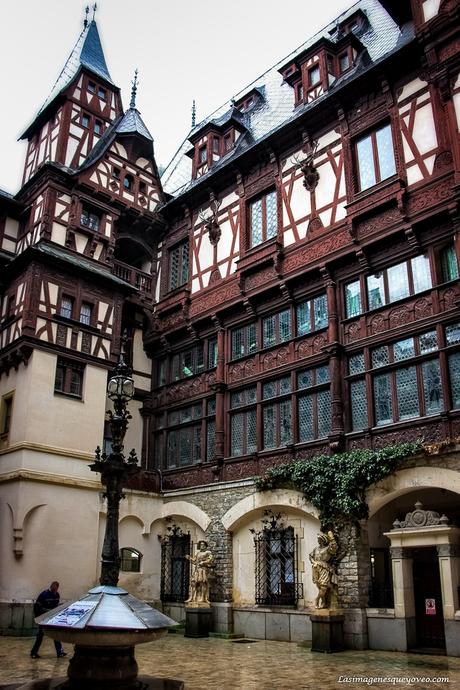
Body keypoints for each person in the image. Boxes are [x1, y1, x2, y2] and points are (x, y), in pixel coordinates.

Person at [30, 581, 66, 659]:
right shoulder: (43, 595)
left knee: (56, 634)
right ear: (51, 587)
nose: (54, 591)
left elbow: (56, 607)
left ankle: (59, 652)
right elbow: (37, 607)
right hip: (43, 618)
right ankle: (33, 652)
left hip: (52, 618)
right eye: (53, 590)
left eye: (55, 590)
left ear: (57, 589)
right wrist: (39, 619)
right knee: (40, 635)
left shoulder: (57, 595)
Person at [309, 531, 339, 609]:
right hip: (316, 568)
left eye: (320, 539)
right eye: (318, 539)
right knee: (319, 585)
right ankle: (324, 602)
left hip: (324, 568)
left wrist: (332, 539)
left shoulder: (327, 548)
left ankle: (317, 600)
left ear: (323, 540)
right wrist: (313, 562)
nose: (318, 541)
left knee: (323, 586)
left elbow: (334, 547)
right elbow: (310, 556)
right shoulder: (316, 549)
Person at [185, 540, 214, 605]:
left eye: (203, 544)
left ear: (205, 545)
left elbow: (210, 560)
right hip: (197, 570)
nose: (202, 546)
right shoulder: (198, 553)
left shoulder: (208, 552)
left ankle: (203, 598)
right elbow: (195, 561)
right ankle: (192, 597)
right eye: (201, 545)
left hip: (203, 570)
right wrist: (189, 558)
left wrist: (203, 562)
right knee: (193, 583)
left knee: (202, 583)